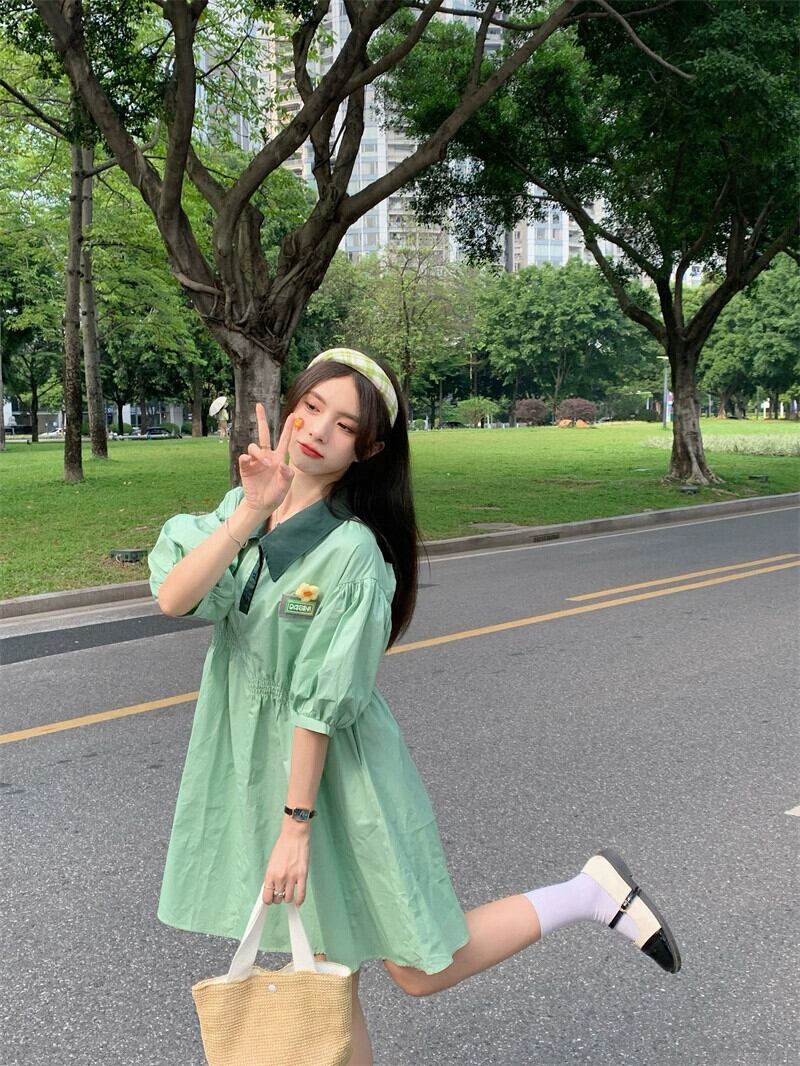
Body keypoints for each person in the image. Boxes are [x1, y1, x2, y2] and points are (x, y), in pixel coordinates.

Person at [149, 348, 681, 1065]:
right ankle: (589, 893)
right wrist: (251, 508)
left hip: (332, 777)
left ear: (367, 450)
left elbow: (319, 704)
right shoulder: (244, 509)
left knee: (416, 968)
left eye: (344, 425)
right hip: (260, 760)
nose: (318, 431)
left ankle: (588, 894)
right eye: (311, 408)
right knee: (329, 965)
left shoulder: (353, 554)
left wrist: (295, 825)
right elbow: (176, 597)